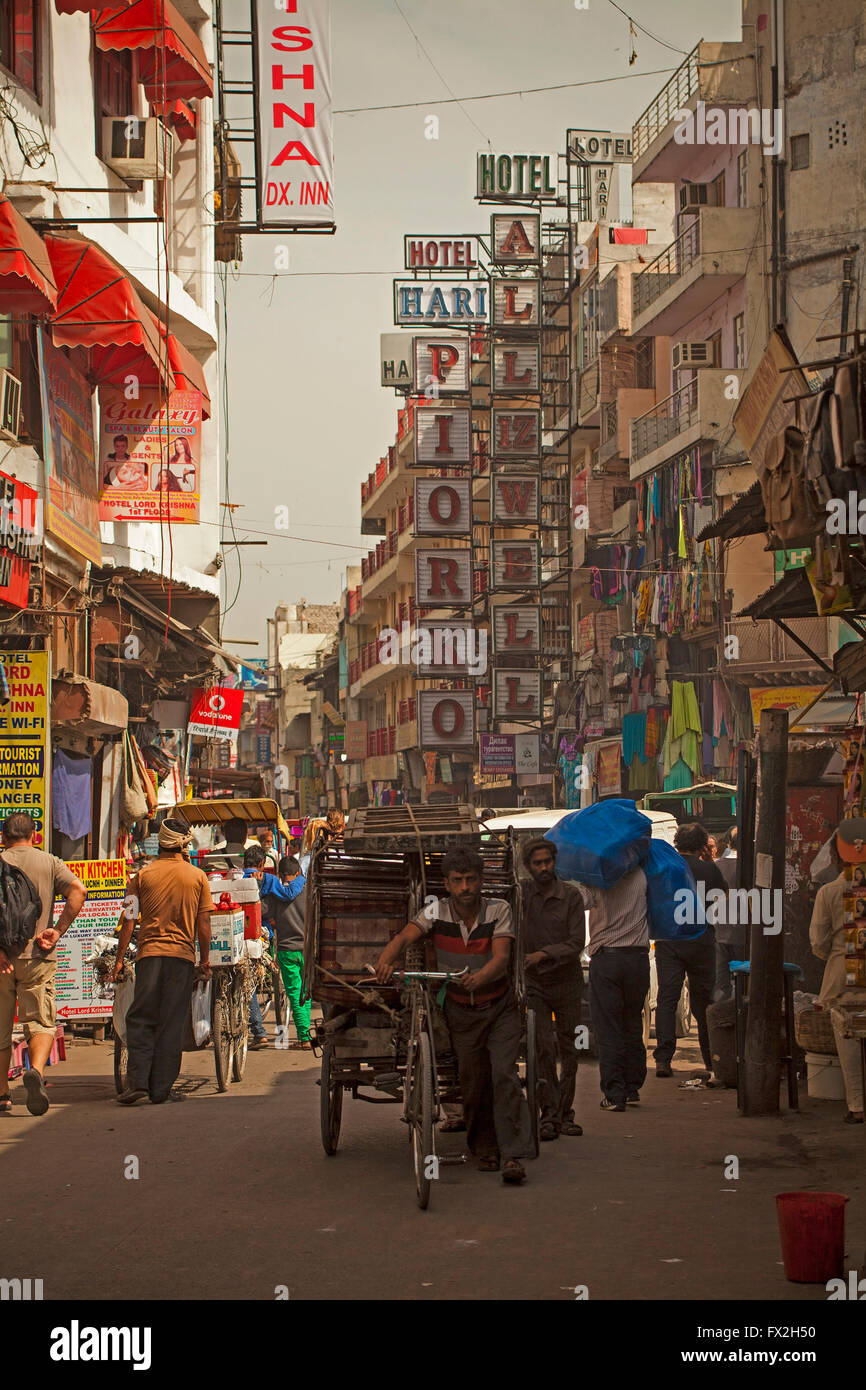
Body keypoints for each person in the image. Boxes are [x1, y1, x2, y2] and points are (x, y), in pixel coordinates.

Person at [375, 846, 533, 1184]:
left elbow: (501, 958)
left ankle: (513, 1155)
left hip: (499, 1007)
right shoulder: (436, 911)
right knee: (472, 1081)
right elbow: (405, 936)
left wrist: (479, 978)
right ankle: (484, 1150)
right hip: (460, 1011)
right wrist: (386, 961)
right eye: (458, 881)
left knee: (504, 1074)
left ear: (481, 880)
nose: (466, 887)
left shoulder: (499, 909)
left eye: (471, 880)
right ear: (447, 884)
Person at [113, 817, 213, 1105]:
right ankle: (161, 1090)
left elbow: (129, 921)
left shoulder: (141, 877)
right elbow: (203, 924)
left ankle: (138, 1084)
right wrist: (204, 960)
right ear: (184, 845)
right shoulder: (197, 877)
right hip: (181, 959)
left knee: (141, 1018)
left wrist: (120, 960)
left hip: (149, 957)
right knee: (171, 1022)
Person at [0, 813, 87, 1116]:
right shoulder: (49, 862)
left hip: (2, 960)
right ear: (35, 836)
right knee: (39, 1022)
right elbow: (79, 891)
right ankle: (35, 1070)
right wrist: (58, 929)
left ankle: (1, 1094)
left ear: (3, 837)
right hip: (38, 954)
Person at [521, 838, 585, 1141]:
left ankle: (564, 1113)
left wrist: (543, 954)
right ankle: (549, 1113)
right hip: (536, 985)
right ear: (528, 867)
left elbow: (576, 943)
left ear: (554, 862)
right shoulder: (522, 895)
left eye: (547, 861)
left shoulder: (571, 896)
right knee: (542, 1048)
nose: (544, 867)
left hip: (568, 983)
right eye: (537, 863)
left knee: (569, 1050)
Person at [578, 861, 650, 1112]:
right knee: (632, 1023)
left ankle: (614, 1093)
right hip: (638, 960)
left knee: (608, 1028)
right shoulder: (641, 874)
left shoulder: (597, 877)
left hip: (607, 960)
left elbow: (580, 901)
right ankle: (632, 1088)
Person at [654, 824, 724, 1078]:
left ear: (677, 843)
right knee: (704, 1001)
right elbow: (722, 899)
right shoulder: (708, 868)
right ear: (702, 845)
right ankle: (710, 1059)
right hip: (700, 940)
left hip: (668, 939)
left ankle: (663, 1059)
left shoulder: (665, 868)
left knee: (667, 999)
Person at [810, 819, 866, 1123]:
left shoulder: (829, 892)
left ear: (836, 856)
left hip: (843, 977)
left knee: (849, 1044)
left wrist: (834, 954)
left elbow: (818, 941)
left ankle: (857, 1106)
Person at [262, 856, 311, 1049]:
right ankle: (305, 1033)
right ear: (298, 873)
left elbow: (264, 911)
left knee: (294, 993)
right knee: (305, 993)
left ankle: (304, 1037)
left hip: (287, 950)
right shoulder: (308, 891)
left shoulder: (277, 895)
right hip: (307, 950)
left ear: (280, 875)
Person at [242, 846, 270, 1049]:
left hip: (238, 938)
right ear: (261, 864)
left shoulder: (235, 877)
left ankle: (258, 1032)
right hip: (258, 938)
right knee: (249, 983)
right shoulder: (266, 879)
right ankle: (259, 1031)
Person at [714, 826, 744, 1000]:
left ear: (729, 844)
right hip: (743, 932)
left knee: (720, 985)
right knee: (745, 980)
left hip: (718, 931)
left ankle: (722, 1022)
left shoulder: (716, 866)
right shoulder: (750, 867)